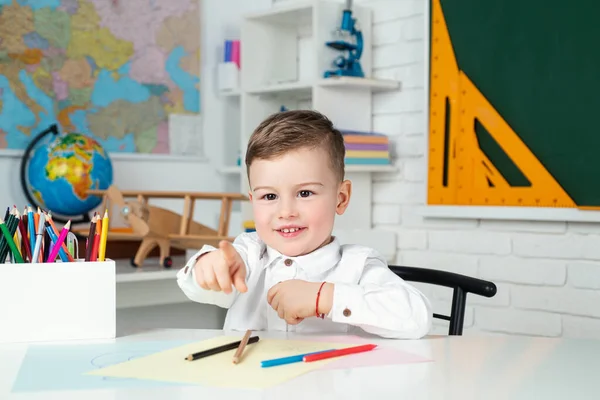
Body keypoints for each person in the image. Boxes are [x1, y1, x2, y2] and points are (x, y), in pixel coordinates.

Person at [177, 110, 432, 339]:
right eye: (269, 196)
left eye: (305, 193)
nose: (286, 212)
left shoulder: (357, 266)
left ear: (340, 198)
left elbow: (417, 317)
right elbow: (197, 288)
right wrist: (207, 267)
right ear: (253, 201)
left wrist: (325, 297)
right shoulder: (249, 255)